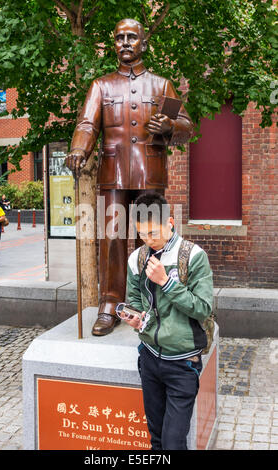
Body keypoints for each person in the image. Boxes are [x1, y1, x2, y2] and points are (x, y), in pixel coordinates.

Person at [65, 18, 193, 336]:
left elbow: (186, 128)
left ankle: (153, 303)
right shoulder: (101, 85)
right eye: (119, 37)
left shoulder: (162, 85)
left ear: (142, 44)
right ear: (114, 43)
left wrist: (170, 127)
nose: (125, 42)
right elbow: (86, 125)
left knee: (152, 238)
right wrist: (79, 149)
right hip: (113, 173)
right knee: (111, 239)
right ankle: (110, 305)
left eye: (131, 37)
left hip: (151, 172)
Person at [121, 192, 213, 450]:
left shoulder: (193, 256)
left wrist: (166, 282)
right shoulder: (136, 258)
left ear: (170, 222)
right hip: (149, 358)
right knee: (157, 439)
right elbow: (136, 299)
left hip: (183, 363)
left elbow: (203, 308)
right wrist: (136, 317)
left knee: (173, 443)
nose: (148, 240)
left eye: (153, 233)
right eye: (141, 234)